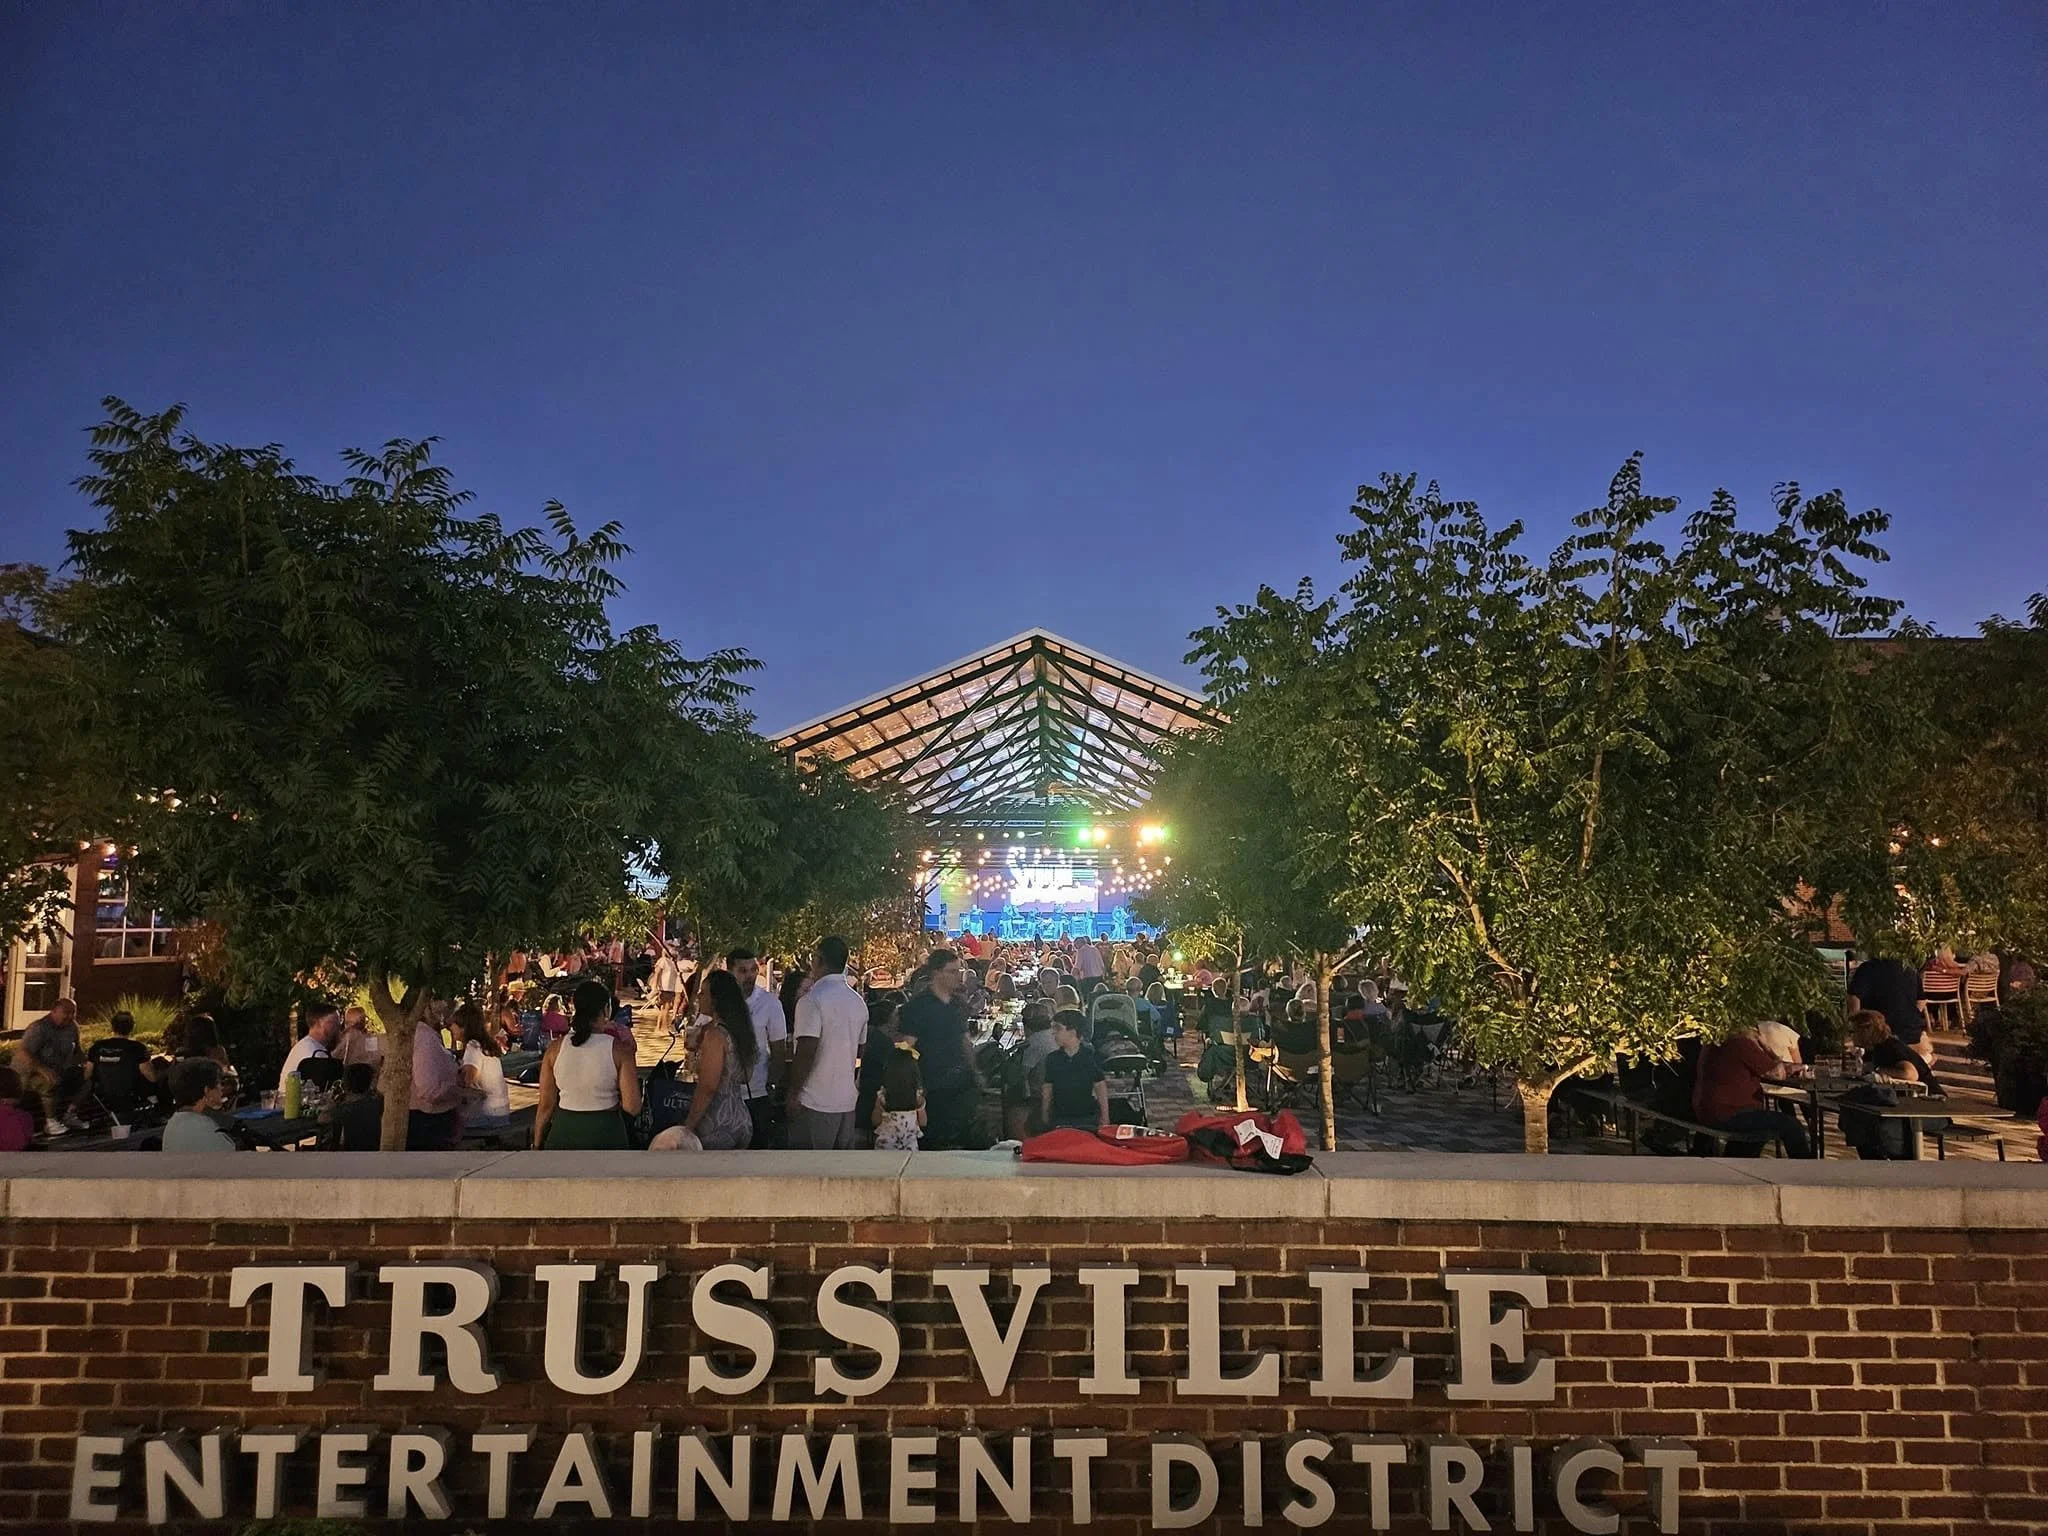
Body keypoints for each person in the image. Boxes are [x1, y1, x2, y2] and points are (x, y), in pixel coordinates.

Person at [535, 980, 642, 1149]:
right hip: (606, 1135)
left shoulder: (554, 1049)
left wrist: (536, 1144)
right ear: (606, 1009)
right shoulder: (620, 1050)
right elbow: (632, 1106)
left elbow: (545, 1106)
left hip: (563, 1134)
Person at [786, 936, 867, 1150]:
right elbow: (861, 1050)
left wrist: (793, 1093)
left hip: (814, 1101)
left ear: (818, 960)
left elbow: (806, 1050)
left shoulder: (811, 1001)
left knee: (809, 1165)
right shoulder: (858, 1002)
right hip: (847, 1102)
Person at [900, 948, 982, 1149]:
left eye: (959, 971)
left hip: (960, 1084)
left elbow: (964, 1040)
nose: (958, 976)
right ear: (937, 973)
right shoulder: (919, 1007)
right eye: (952, 971)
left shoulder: (957, 1004)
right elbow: (906, 1047)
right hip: (933, 1085)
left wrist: (975, 1071)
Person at [1693, 1024, 1813, 1158]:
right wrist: (1766, 1047)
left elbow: (1767, 1066)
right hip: (1731, 1113)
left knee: (1761, 1128)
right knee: (1792, 1126)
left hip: (1708, 1111)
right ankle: (1806, 1167)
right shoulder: (1741, 1043)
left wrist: (1788, 1068)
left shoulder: (1716, 1041)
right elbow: (1776, 1073)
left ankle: (1738, 1160)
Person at [682, 969, 757, 1151]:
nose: (699, 996)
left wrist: (688, 1126)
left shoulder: (716, 1036)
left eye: (703, 993)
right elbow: (745, 1076)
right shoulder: (739, 1032)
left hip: (716, 1121)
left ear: (715, 999)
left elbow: (708, 1086)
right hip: (740, 1117)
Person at [728, 948, 788, 1147]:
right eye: (742, 970)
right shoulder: (720, 1001)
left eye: (753, 970)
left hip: (756, 1093)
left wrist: (771, 1084)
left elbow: (779, 1049)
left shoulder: (770, 1003)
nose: (749, 976)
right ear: (730, 972)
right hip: (723, 1093)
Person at [18, 998, 89, 1136]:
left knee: (88, 1079)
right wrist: (43, 1070)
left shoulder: (72, 1027)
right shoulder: (39, 1028)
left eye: (73, 1013)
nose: (70, 1016)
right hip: (31, 1072)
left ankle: (70, 1114)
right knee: (49, 1081)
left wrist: (86, 1062)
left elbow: (77, 1049)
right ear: (54, 1011)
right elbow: (23, 1053)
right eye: (66, 1013)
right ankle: (50, 1122)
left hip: (60, 1069)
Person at [407, 1009, 467, 1149]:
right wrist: (458, 1092)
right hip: (430, 1119)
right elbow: (428, 1089)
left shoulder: (423, 1035)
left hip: (427, 1117)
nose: (445, 1006)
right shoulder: (424, 1038)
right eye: (438, 1000)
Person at [1042, 1011, 1110, 1130]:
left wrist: (1105, 1117)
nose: (1053, 1032)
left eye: (1058, 1028)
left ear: (1072, 1032)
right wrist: (1045, 1114)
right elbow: (1047, 1088)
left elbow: (1100, 1086)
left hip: (1087, 1115)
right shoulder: (1052, 1059)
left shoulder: (1091, 1056)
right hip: (1060, 1116)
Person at [1850, 1010, 1944, 1095]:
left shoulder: (1889, 1047)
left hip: (1931, 1097)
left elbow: (1910, 1074)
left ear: (1866, 1030)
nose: (1851, 1036)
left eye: (1853, 1032)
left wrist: (1878, 1071)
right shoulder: (1879, 1046)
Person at [85, 1010, 155, 1121]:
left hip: (103, 1095)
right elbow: (151, 1077)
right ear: (132, 1027)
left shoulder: (97, 1047)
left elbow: (87, 1074)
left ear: (113, 1026)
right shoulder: (137, 1048)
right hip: (131, 1094)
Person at [1848, 954, 1925, 1054]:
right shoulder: (1910, 968)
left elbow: (1854, 997)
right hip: (1910, 1033)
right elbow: (1921, 1000)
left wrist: (1857, 1025)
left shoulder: (1868, 968)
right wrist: (1911, 1016)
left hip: (1876, 1034)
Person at [453, 1002, 511, 1128]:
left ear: (463, 1028)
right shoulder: (486, 1045)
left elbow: (466, 1082)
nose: (451, 1028)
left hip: (486, 1115)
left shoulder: (473, 1047)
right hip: (502, 1112)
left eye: (454, 1024)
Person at [160, 1059, 237, 1152]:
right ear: (207, 1090)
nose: (221, 1088)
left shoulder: (173, 1124)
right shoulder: (203, 1128)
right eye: (219, 1083)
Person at [871, 1041, 927, 1151]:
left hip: (885, 1145)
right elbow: (923, 1122)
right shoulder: (916, 1097)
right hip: (909, 1146)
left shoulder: (883, 1095)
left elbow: (875, 1121)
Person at [278, 1003, 343, 1098]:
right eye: (334, 1022)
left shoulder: (306, 1045)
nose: (339, 1026)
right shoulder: (313, 1054)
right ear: (319, 1023)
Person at [331, 1062, 384, 1150]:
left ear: (345, 1085)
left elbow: (322, 1119)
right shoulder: (378, 1102)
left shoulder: (344, 1109)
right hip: (374, 1150)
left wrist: (332, 1103)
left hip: (351, 1153)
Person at [336, 1005, 383, 1070]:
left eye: (352, 1023)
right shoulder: (343, 1039)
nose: (349, 1026)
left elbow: (374, 1062)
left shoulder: (370, 1040)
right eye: (347, 1023)